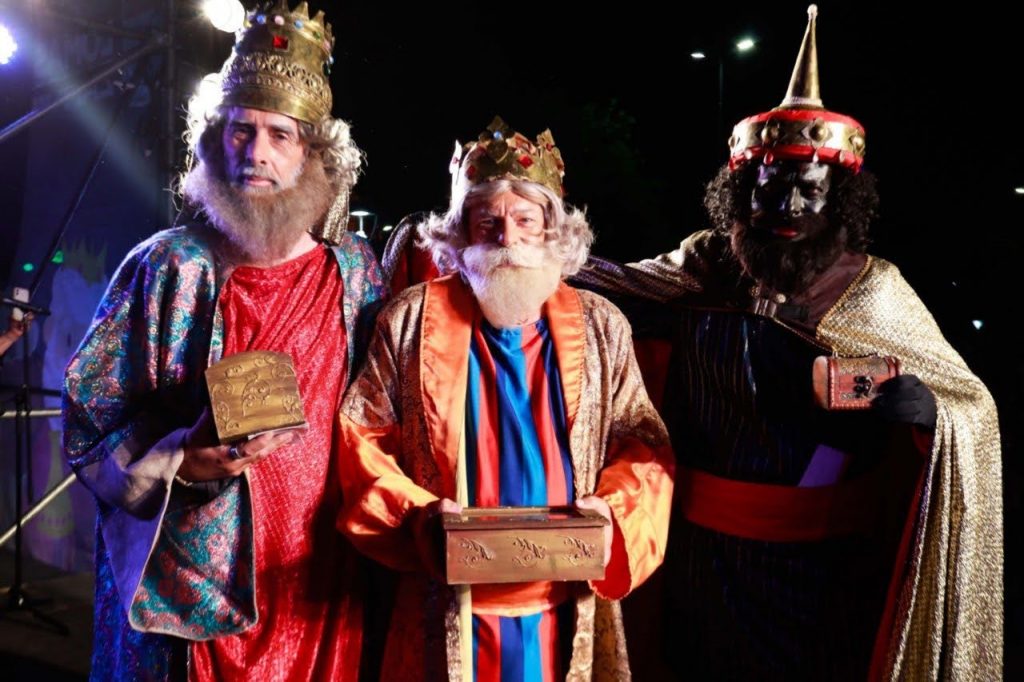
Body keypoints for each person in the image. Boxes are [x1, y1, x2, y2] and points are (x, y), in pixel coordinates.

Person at [572, 6, 1002, 680]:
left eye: (810, 191)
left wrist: (931, 412)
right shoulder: (703, 265)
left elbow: (969, 406)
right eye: (770, 190)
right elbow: (606, 284)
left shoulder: (873, 288)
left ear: (841, 201)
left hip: (826, 575)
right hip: (702, 561)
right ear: (743, 192)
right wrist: (514, 251)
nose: (790, 208)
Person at [62, 3, 385, 679]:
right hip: (188, 587)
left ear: (313, 154)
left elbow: (384, 411)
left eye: (279, 135)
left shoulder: (353, 271)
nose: (256, 154)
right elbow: (89, 422)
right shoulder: (165, 267)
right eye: (241, 130)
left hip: (315, 583)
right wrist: (180, 459)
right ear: (215, 140)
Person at [336, 117, 674, 681]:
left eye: (525, 220)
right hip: (448, 599)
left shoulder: (602, 325)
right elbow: (360, 437)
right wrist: (417, 515)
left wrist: (612, 513)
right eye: (487, 222)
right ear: (462, 232)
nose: (507, 239)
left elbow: (644, 444)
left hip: (564, 600)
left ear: (552, 229)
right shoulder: (409, 320)